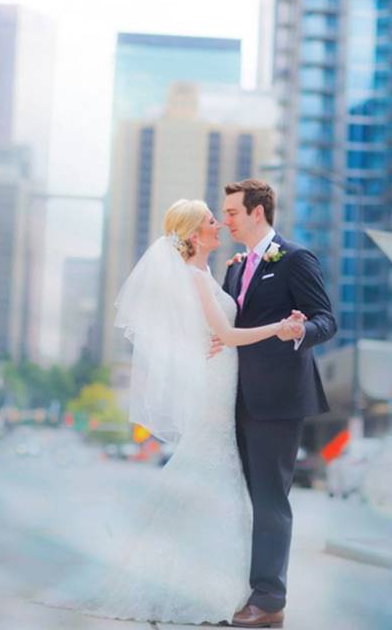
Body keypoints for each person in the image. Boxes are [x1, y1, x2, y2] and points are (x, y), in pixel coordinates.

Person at [41, 198, 303, 625]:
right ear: (195, 233)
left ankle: (215, 582)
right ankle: (200, 584)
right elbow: (225, 334)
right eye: (210, 221)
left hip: (222, 382)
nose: (219, 224)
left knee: (214, 470)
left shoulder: (207, 274)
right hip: (216, 385)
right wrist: (279, 328)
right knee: (212, 468)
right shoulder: (195, 278)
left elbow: (215, 328)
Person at [217, 179, 337, 628]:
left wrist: (299, 331)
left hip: (280, 401)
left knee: (270, 500)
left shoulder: (295, 259)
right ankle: (246, 589)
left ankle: (269, 602)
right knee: (245, 499)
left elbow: (326, 319)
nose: (225, 219)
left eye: (231, 212)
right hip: (237, 399)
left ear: (257, 213)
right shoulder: (235, 267)